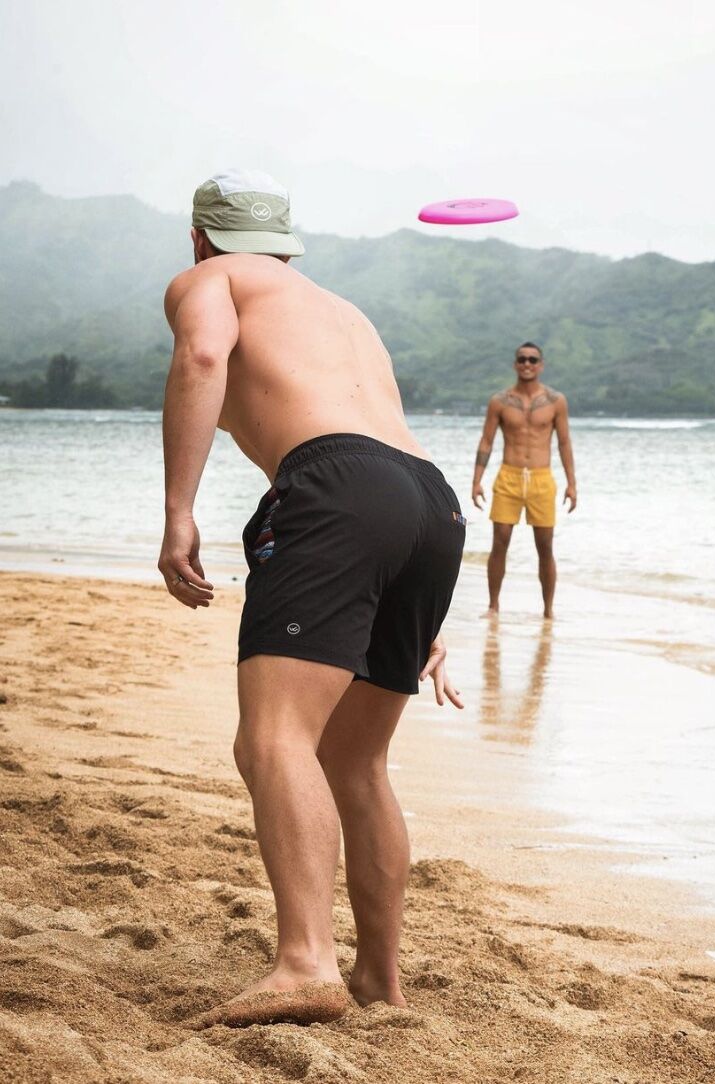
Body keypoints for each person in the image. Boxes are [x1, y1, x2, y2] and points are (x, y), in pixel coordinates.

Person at [157, 169, 465, 1027]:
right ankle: (378, 980)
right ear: (287, 245)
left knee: (273, 739)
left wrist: (179, 512)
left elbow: (204, 356)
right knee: (354, 762)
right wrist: (415, 609)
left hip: (337, 492)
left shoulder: (209, 280)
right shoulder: (344, 313)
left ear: (199, 238)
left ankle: (304, 961)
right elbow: (386, 455)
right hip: (428, 504)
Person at [471, 343, 577, 618]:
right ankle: (493, 606)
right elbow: (487, 440)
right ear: (515, 364)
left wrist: (571, 484)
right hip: (509, 476)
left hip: (542, 478)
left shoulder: (555, 401)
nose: (527, 364)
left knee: (545, 545)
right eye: (522, 359)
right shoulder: (500, 401)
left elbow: (564, 443)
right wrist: (477, 481)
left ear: (541, 364)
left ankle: (548, 611)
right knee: (500, 540)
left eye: (533, 359)